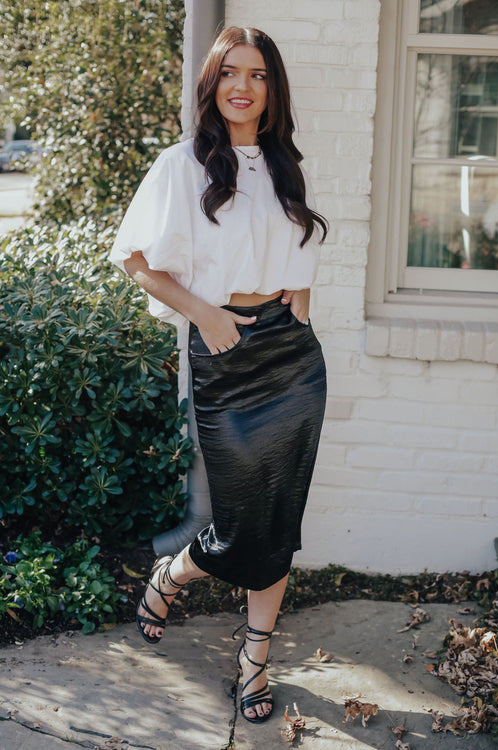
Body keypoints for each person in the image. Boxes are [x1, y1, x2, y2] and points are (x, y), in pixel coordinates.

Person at [109, 26, 328, 725]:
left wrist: (298, 310)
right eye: (231, 73)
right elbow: (136, 258)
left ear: (273, 88)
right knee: (240, 524)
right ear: (212, 83)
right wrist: (204, 314)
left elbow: (299, 264)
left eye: (258, 75)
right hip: (224, 352)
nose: (243, 86)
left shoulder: (286, 164)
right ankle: (172, 575)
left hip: (291, 360)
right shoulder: (184, 164)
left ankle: (254, 663)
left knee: (280, 522)